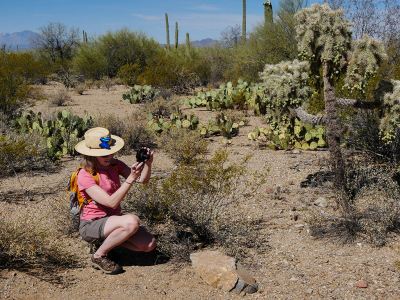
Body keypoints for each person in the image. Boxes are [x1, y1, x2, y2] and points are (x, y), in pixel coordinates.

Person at [74, 127, 156, 274]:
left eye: (110, 152)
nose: (109, 156)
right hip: (91, 224)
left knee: (149, 244)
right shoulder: (85, 175)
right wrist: (130, 179)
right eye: (104, 154)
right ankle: (99, 255)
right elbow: (111, 202)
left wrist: (147, 165)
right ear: (92, 155)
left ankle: (108, 244)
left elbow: (143, 181)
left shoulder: (114, 164)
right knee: (132, 221)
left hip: (113, 221)